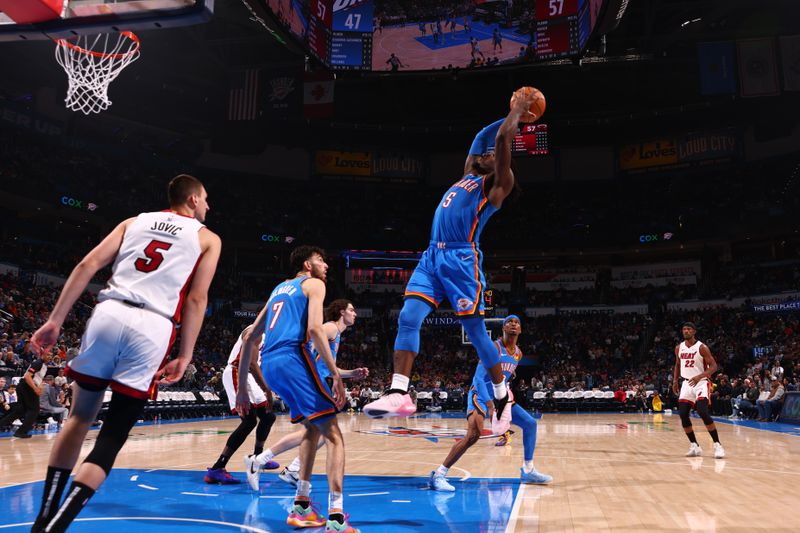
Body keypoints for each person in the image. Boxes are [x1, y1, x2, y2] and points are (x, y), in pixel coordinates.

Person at [28, 174, 221, 532]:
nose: (209, 206)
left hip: (109, 312)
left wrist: (55, 320)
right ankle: (60, 524)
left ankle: (42, 520)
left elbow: (86, 266)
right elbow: (197, 298)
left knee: (77, 419)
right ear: (193, 199)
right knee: (113, 434)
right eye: (206, 199)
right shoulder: (207, 238)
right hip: (153, 325)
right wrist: (186, 354)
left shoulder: (134, 221)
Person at [363, 89, 538, 438]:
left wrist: (518, 113)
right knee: (408, 317)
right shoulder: (468, 176)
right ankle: (399, 392)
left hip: (461, 258)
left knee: (475, 333)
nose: (486, 154)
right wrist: (506, 114)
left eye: (492, 156)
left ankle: (502, 395)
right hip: (432, 255)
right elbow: (481, 138)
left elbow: (502, 139)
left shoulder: (498, 185)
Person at [237, 246, 358, 533]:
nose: (326, 265)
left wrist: (243, 387)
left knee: (312, 429)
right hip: (293, 357)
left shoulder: (279, 289)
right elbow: (316, 331)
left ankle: (301, 508)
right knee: (335, 437)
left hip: (270, 365)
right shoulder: (314, 284)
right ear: (307, 264)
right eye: (321, 260)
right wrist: (338, 378)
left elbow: (251, 337)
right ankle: (337, 518)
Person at [429, 316, 551, 491]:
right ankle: (439, 474)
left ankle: (528, 470)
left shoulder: (518, 353)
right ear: (503, 328)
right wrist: (489, 404)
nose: (514, 324)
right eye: (510, 322)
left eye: (517, 322)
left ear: (521, 329)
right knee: (473, 435)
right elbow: (479, 379)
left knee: (530, 424)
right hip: (480, 394)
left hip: (500, 396)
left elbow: (505, 376)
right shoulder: (493, 347)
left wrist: (503, 396)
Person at [261, 299, 368, 487]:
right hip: (309, 380)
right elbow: (311, 337)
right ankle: (265, 461)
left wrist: (352, 373)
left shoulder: (336, 335)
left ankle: (285, 467)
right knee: (325, 429)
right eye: (352, 310)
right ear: (341, 312)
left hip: (311, 378)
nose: (355, 313)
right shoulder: (331, 328)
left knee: (319, 430)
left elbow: (329, 367)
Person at [204, 325, 277, 484]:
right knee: (249, 421)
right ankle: (217, 468)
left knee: (268, 416)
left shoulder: (266, 334)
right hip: (237, 372)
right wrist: (267, 389)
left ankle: (258, 458)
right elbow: (251, 363)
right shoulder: (256, 331)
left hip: (247, 375)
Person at [672, 322, 725, 459]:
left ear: (694, 331)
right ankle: (694, 445)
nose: (686, 331)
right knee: (683, 414)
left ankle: (717, 445)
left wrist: (700, 376)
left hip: (701, 382)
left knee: (702, 412)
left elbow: (714, 366)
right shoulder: (679, 348)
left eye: (689, 329)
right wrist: (675, 381)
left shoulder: (702, 347)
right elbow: (677, 365)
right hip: (686, 383)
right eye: (684, 329)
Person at [0, 357, 47, 437]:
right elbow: (27, 376)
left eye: (51, 354)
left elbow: (39, 379)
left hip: (23, 386)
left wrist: (40, 388)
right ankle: (21, 432)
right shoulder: (38, 363)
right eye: (48, 354)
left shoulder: (44, 366)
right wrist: (35, 388)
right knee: (34, 410)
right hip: (27, 386)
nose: (49, 356)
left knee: (20, 411)